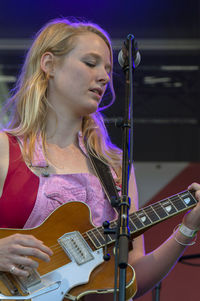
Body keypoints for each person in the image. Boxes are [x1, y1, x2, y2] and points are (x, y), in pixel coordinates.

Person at [0, 17, 200, 300]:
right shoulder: (5, 149)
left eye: (107, 68)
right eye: (90, 63)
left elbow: (131, 278)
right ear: (49, 64)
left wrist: (187, 229)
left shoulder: (115, 167)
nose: (105, 77)